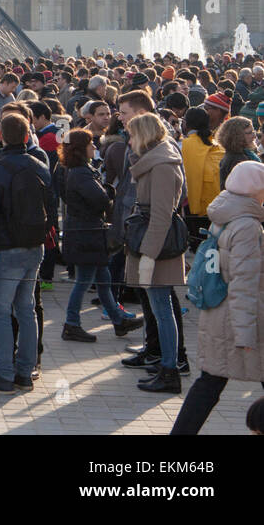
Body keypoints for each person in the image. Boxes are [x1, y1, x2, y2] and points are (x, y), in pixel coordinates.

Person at [170, 160, 264, 433]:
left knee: (209, 384)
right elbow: (244, 283)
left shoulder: (226, 214)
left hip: (219, 312)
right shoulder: (247, 225)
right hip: (241, 318)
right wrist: (245, 333)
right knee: (209, 385)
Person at [0, 113, 51, 395]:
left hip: (7, 247)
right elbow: (51, 207)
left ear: (1, 137)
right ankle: (24, 371)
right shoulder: (40, 165)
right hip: (34, 244)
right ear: (28, 136)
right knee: (26, 308)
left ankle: (5, 373)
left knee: (1, 310)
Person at [54, 129, 144, 342]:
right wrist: (109, 192)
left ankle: (117, 320)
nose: (94, 147)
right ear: (80, 148)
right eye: (90, 144)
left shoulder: (73, 169)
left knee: (103, 278)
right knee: (85, 279)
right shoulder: (80, 172)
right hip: (86, 233)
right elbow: (100, 200)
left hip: (85, 231)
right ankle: (72, 323)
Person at [125, 112, 188, 394]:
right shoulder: (155, 159)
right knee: (159, 307)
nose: (129, 139)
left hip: (157, 245)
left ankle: (170, 369)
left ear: (144, 134)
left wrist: (149, 255)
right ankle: (166, 366)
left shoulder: (162, 164)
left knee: (162, 308)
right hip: (152, 240)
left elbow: (162, 214)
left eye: (132, 133)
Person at [181, 107, 224, 246]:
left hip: (194, 209)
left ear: (186, 124)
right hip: (217, 206)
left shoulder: (184, 145)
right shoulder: (217, 145)